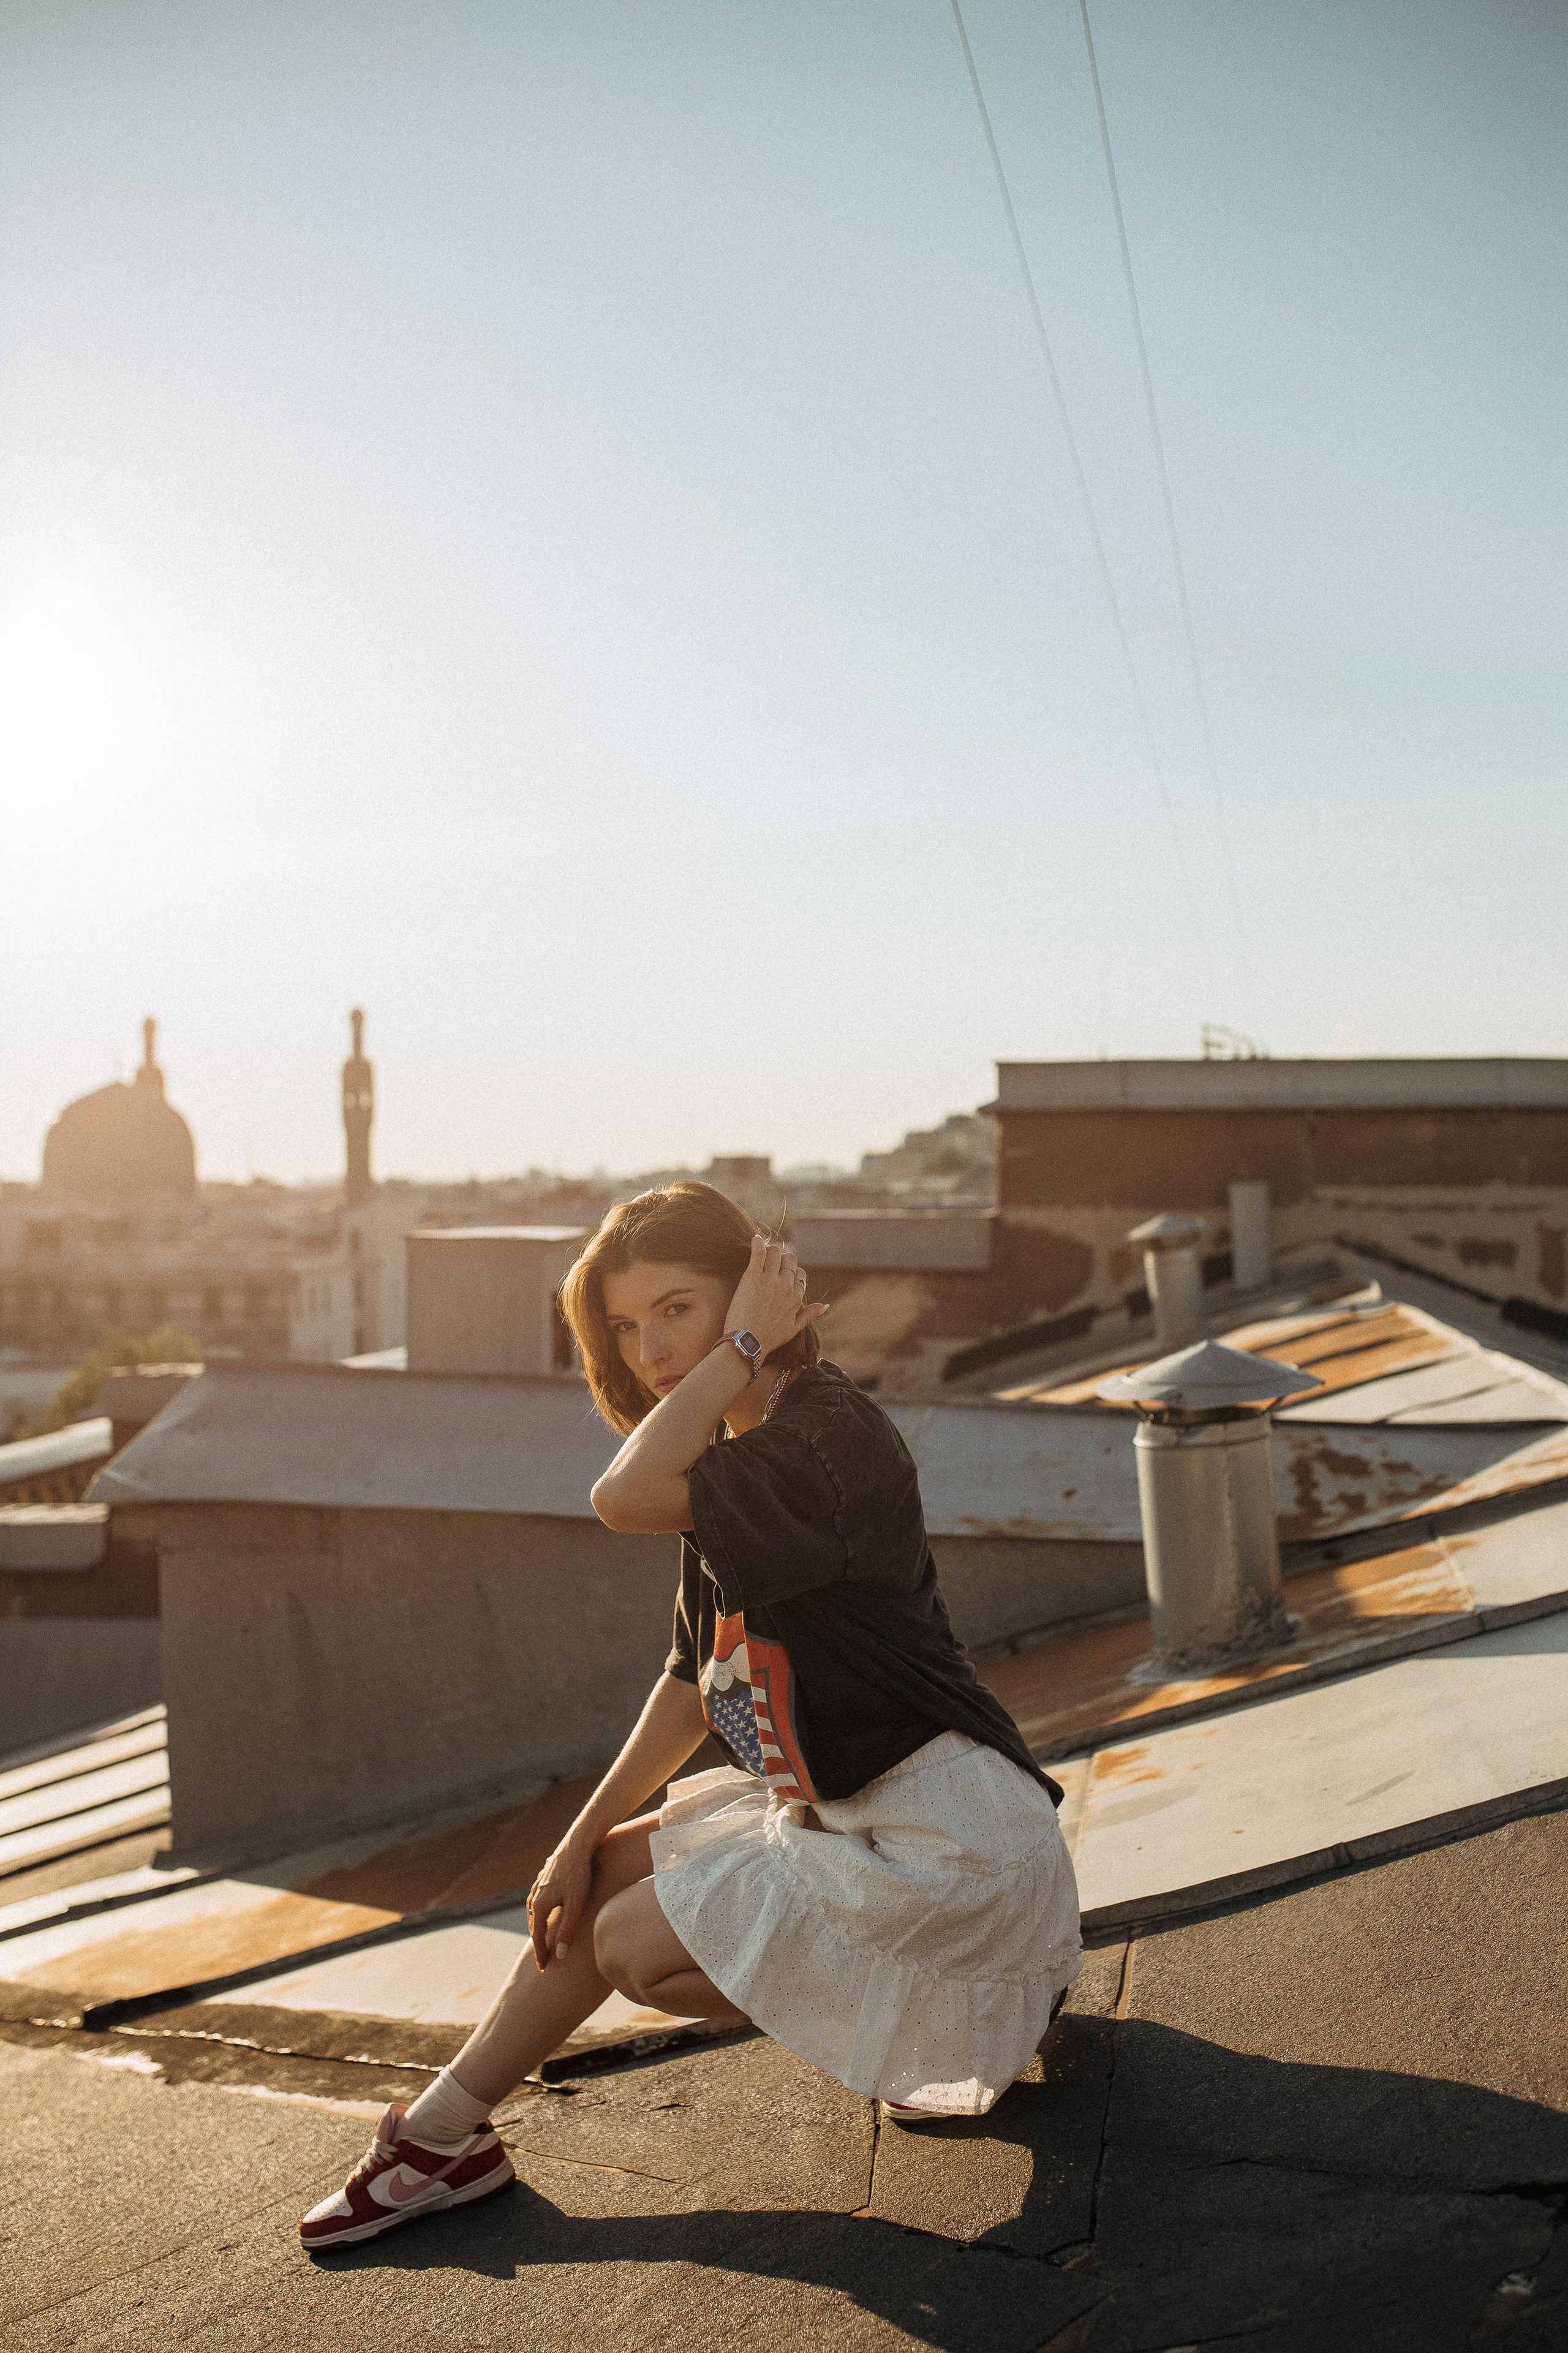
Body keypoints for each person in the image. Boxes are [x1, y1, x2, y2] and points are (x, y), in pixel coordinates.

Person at [300, 1182, 1081, 2251]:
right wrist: (570, 1846)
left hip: (951, 1838)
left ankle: (955, 2021)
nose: (652, 1348)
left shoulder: (820, 1442)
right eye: (626, 1325)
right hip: (849, 1816)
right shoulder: (735, 1451)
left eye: (679, 1308)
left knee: (631, 1946)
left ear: (754, 1289)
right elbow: (690, 1678)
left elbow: (616, 1496)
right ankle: (444, 2135)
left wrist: (751, 1338)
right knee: (600, 1882)